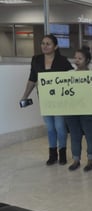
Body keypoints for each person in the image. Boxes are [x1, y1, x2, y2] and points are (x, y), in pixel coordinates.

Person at [20, 34, 73, 165]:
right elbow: (32, 79)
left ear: (55, 46)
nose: (45, 46)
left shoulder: (62, 60)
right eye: (43, 43)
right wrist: (25, 95)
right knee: (50, 127)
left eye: (48, 43)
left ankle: (62, 152)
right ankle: (52, 154)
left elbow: (73, 77)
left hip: (60, 100)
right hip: (44, 100)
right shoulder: (36, 60)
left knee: (60, 126)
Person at [65, 47, 92, 172]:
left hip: (88, 110)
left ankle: (91, 160)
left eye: (80, 58)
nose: (77, 60)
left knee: (90, 135)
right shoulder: (69, 74)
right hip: (71, 111)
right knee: (74, 135)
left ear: (87, 60)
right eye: (76, 58)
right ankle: (76, 160)